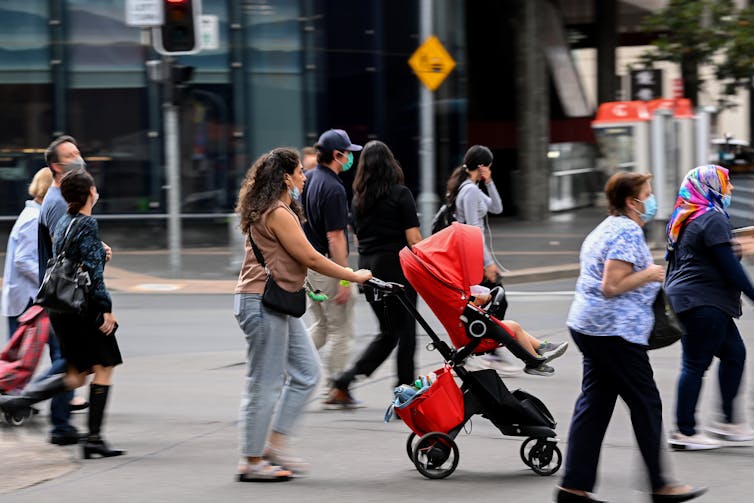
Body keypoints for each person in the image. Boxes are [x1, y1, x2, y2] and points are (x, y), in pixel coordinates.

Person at [556, 172, 706, 503]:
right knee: (646, 403)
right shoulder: (626, 230)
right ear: (632, 201)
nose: (652, 200)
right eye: (647, 194)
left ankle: (573, 488)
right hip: (615, 332)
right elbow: (612, 286)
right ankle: (661, 485)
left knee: (594, 404)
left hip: (589, 327)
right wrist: (650, 273)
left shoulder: (605, 227)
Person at [234, 148, 372, 481]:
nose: (304, 176)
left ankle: (274, 447)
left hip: (276, 303)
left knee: (307, 372)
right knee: (264, 383)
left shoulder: (275, 209)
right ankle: (251, 461)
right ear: (285, 177)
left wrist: (308, 287)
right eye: (298, 171)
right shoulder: (276, 211)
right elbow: (310, 256)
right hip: (261, 303)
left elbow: (291, 259)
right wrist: (351, 275)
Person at [0, 168, 125, 460]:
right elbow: (93, 275)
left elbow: (72, 261)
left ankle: (18, 402)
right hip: (84, 309)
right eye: (94, 187)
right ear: (89, 193)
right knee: (104, 368)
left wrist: (97, 251)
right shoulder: (87, 223)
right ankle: (93, 439)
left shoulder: (64, 221)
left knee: (76, 375)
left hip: (60, 309)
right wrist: (106, 309)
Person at [664, 165, 754, 450]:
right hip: (703, 301)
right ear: (711, 186)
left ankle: (728, 423)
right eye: (726, 184)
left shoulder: (684, 216)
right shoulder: (713, 218)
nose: (731, 189)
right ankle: (684, 432)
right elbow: (729, 269)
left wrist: (735, 246)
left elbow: (689, 258)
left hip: (691, 299)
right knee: (695, 365)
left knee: (734, 354)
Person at [327, 140, 422, 404]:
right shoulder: (401, 194)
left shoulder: (358, 200)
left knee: (389, 332)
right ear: (390, 164)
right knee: (406, 333)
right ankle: (405, 391)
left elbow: (357, 240)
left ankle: (344, 381)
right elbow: (414, 239)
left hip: (368, 273)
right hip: (398, 271)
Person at [37, 135, 98, 445]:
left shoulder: (62, 198)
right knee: (70, 358)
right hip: (64, 293)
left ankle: (60, 424)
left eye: (79, 151)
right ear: (56, 166)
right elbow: (68, 245)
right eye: (72, 154)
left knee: (70, 357)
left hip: (64, 292)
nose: (80, 157)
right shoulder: (58, 202)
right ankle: (25, 398)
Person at [445, 145, 520, 376]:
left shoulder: (472, 189)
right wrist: (487, 262)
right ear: (481, 166)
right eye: (489, 165)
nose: (490, 169)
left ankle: (477, 351)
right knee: (497, 299)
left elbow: (496, 207)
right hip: (473, 256)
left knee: (484, 302)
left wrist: (489, 182)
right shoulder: (469, 191)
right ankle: (487, 351)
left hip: (473, 255)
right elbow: (473, 228)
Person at [301, 129, 363, 401]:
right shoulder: (334, 189)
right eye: (347, 153)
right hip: (327, 266)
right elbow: (336, 237)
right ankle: (336, 388)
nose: (350, 157)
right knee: (341, 331)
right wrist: (345, 278)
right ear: (337, 155)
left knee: (323, 326)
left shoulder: (309, 178)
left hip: (309, 265)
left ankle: (287, 359)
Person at [2, 167, 53, 337]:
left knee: (19, 356)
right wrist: (48, 283)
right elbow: (23, 259)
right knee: (60, 352)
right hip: (27, 299)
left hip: (26, 297)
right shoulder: (33, 218)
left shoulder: (34, 214)